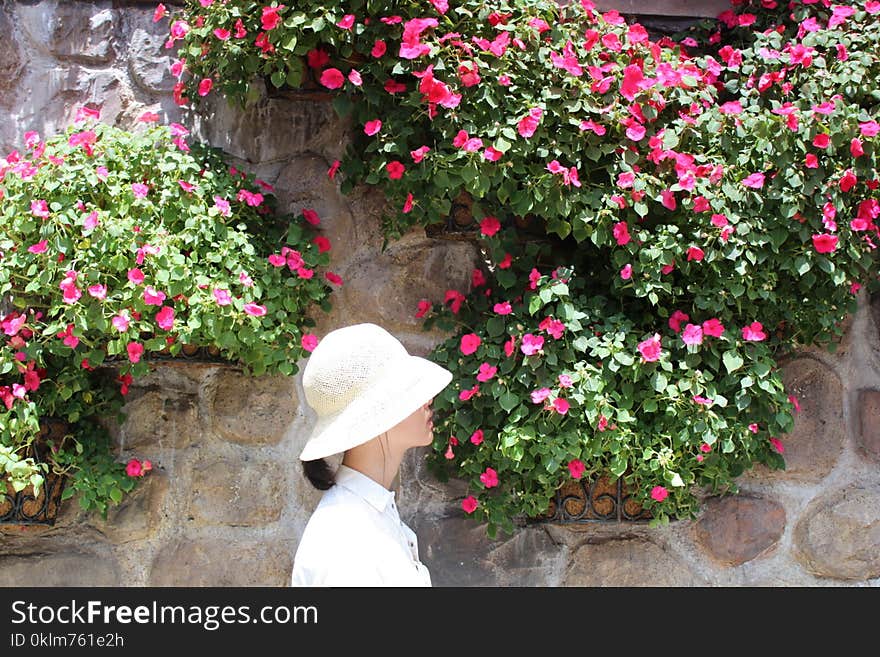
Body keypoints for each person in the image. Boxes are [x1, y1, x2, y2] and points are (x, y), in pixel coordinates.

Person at [290, 322, 453, 587]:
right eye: (408, 389)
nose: (428, 400)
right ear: (378, 413)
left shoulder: (367, 515)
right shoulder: (349, 542)